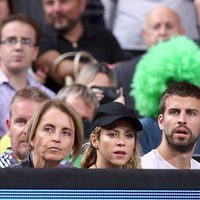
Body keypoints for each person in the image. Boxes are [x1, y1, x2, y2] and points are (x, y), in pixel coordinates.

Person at [35, 0, 123, 92]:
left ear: (82, 4)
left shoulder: (105, 37)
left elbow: (121, 74)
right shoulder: (38, 37)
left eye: (64, 2)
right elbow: (59, 68)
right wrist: (105, 70)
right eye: (50, 3)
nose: (57, 9)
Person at [114, 5, 185, 108]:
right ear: (145, 34)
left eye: (169, 26)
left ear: (182, 32)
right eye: (156, 27)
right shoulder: (122, 74)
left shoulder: (195, 71)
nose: (163, 32)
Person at [0, 14, 55, 138]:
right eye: (11, 40)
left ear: (35, 52)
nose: (18, 47)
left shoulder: (51, 98)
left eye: (26, 41)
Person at [9, 99, 84, 168]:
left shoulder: (76, 180)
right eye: (48, 129)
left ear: (73, 146)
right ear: (32, 137)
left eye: (65, 133)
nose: (56, 138)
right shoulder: (9, 178)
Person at [141, 82, 200, 169]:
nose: (182, 120)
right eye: (174, 112)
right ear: (161, 121)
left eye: (191, 113)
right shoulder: (140, 169)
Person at [81, 102, 142, 169]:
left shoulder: (141, 179)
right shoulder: (79, 179)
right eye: (112, 135)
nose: (121, 142)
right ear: (95, 140)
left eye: (129, 136)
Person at [0, 87, 50, 168]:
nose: (27, 130)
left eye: (36, 122)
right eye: (20, 122)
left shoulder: (66, 172)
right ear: (9, 127)